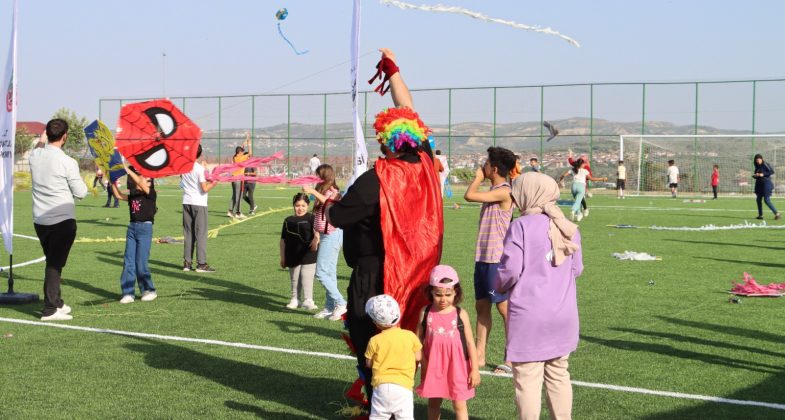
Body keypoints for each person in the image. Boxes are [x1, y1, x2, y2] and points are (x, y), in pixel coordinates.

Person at [326, 48, 443, 402]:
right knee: (406, 335)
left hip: (377, 272)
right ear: (416, 138)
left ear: (385, 141)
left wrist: (329, 201)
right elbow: (408, 109)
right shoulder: (425, 161)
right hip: (419, 271)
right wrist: (393, 71)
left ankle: (378, 399)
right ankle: (398, 396)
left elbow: (337, 216)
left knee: (369, 334)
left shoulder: (376, 179)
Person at [495, 171, 584, 420]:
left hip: (530, 316)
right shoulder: (568, 226)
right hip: (563, 314)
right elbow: (577, 269)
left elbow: (509, 271)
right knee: (559, 374)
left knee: (527, 380)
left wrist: (497, 285)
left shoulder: (521, 226)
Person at [463, 146, 517, 374]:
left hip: (497, 260)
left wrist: (476, 178)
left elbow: (469, 195)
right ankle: (480, 355)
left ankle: (512, 358)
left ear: (493, 168)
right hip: (483, 258)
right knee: (482, 306)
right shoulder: (495, 190)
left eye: (485, 163)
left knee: (505, 309)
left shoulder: (504, 191)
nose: (482, 167)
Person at [29, 119, 88, 321]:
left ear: (46, 134)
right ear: (65, 136)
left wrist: (41, 139)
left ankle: (57, 302)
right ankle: (49, 309)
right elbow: (81, 192)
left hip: (40, 220)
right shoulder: (67, 162)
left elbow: (38, 146)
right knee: (54, 265)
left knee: (53, 261)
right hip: (62, 221)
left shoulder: (34, 155)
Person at [416, 265, 481, 420]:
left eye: (448, 294)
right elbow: (417, 342)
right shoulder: (425, 313)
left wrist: (475, 369)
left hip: (458, 368)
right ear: (431, 291)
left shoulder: (460, 314)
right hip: (434, 367)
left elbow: (471, 343)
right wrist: (423, 363)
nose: (443, 299)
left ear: (455, 292)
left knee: (459, 406)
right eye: (438, 294)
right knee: (433, 404)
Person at [364, 294, 422, 420]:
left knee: (378, 416)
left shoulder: (374, 340)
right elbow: (418, 357)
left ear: (376, 323)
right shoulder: (410, 336)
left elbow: (368, 363)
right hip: (404, 386)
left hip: (381, 386)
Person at [302, 164, 347, 321]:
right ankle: (330, 306)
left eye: (317, 175)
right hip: (325, 234)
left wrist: (313, 191)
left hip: (332, 234)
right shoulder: (323, 191)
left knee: (320, 272)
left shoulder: (334, 192)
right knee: (329, 273)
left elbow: (329, 203)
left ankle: (341, 303)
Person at [111, 163, 158, 304]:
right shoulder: (133, 195)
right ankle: (128, 292)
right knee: (128, 261)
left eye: (149, 181)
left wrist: (127, 170)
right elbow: (118, 195)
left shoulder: (151, 194)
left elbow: (139, 181)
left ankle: (149, 290)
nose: (146, 181)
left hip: (145, 229)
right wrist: (112, 179)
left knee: (141, 262)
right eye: (146, 179)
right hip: (132, 229)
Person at [181, 145, 218, 272]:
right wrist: (214, 183)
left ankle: (187, 263)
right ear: (200, 154)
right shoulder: (199, 169)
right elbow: (204, 188)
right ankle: (201, 264)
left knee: (188, 234)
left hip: (186, 202)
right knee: (201, 234)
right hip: (199, 203)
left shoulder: (183, 166)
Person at [280, 193, 319, 310]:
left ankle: (308, 300)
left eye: (303, 205)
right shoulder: (288, 220)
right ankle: (295, 299)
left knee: (307, 275)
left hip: (309, 253)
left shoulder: (312, 218)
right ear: (293, 205)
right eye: (297, 205)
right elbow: (282, 240)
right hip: (292, 254)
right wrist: (282, 257)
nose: (300, 208)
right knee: (295, 277)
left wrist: (316, 239)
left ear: (308, 206)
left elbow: (317, 232)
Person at [228, 135, 251, 219]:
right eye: (241, 152)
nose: (242, 152)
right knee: (239, 195)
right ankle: (238, 212)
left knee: (234, 195)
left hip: (233, 178)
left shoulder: (235, 157)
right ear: (240, 153)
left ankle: (230, 211)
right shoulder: (242, 158)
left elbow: (241, 148)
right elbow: (250, 153)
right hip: (239, 178)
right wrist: (249, 144)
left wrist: (246, 140)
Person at [752, 154, 781, 220]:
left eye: (759, 159)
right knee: (758, 199)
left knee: (766, 200)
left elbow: (772, 171)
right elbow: (758, 175)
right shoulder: (757, 166)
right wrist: (755, 175)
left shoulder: (765, 164)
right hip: (759, 185)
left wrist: (763, 174)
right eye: (756, 160)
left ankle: (777, 213)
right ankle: (760, 215)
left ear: (762, 159)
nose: (758, 161)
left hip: (766, 184)